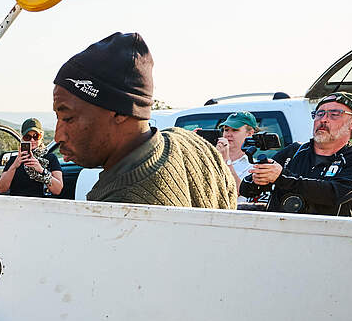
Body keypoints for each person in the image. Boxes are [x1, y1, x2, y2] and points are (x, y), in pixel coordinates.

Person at [53, 32, 236, 209]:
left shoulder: (123, 209)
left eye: (68, 118)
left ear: (119, 112)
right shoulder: (195, 145)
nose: (57, 136)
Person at [240, 92, 352, 217]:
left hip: (327, 239)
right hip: (278, 235)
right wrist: (257, 178)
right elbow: (246, 190)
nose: (323, 119)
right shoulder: (293, 152)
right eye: (320, 113)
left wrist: (281, 177)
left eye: (334, 114)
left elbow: (333, 194)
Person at [0, 118, 64, 197]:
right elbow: (2, 189)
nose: (32, 140)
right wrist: (14, 166)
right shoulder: (14, 160)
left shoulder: (50, 158)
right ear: (22, 138)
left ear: (41, 137)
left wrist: (41, 170)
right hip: (18, 204)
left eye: (36, 136)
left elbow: (58, 190)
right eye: (27, 137)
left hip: (41, 204)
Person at [214, 111, 262, 189]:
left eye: (235, 130)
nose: (228, 134)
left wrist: (226, 160)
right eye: (226, 130)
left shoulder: (253, 166)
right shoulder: (213, 158)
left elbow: (239, 191)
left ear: (250, 134)